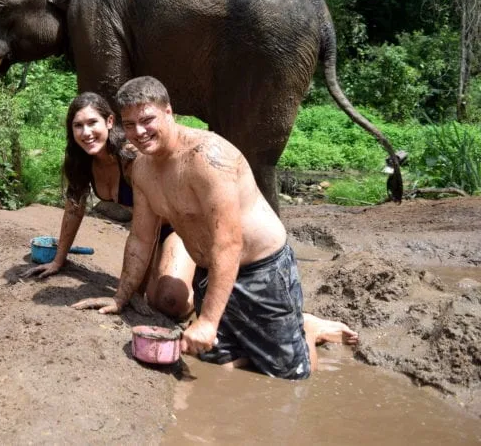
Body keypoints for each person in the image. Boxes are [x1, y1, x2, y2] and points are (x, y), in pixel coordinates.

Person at [72, 77, 357, 378]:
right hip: (212, 271)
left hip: (261, 269)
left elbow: (228, 243)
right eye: (129, 125)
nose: (139, 132)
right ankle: (269, 332)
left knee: (292, 375)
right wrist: (120, 296)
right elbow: (141, 237)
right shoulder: (142, 168)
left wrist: (207, 321)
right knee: (213, 360)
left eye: (147, 120)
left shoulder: (206, 157)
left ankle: (308, 329)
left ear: (168, 112)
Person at [25, 92, 195, 320]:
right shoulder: (81, 161)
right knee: (156, 301)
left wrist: (134, 290)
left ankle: (207, 281)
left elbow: (150, 224)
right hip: (146, 232)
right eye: (78, 126)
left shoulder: (131, 157)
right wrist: (58, 259)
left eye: (92, 122)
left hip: (178, 227)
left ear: (110, 122)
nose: (86, 133)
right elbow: (74, 208)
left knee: (170, 303)